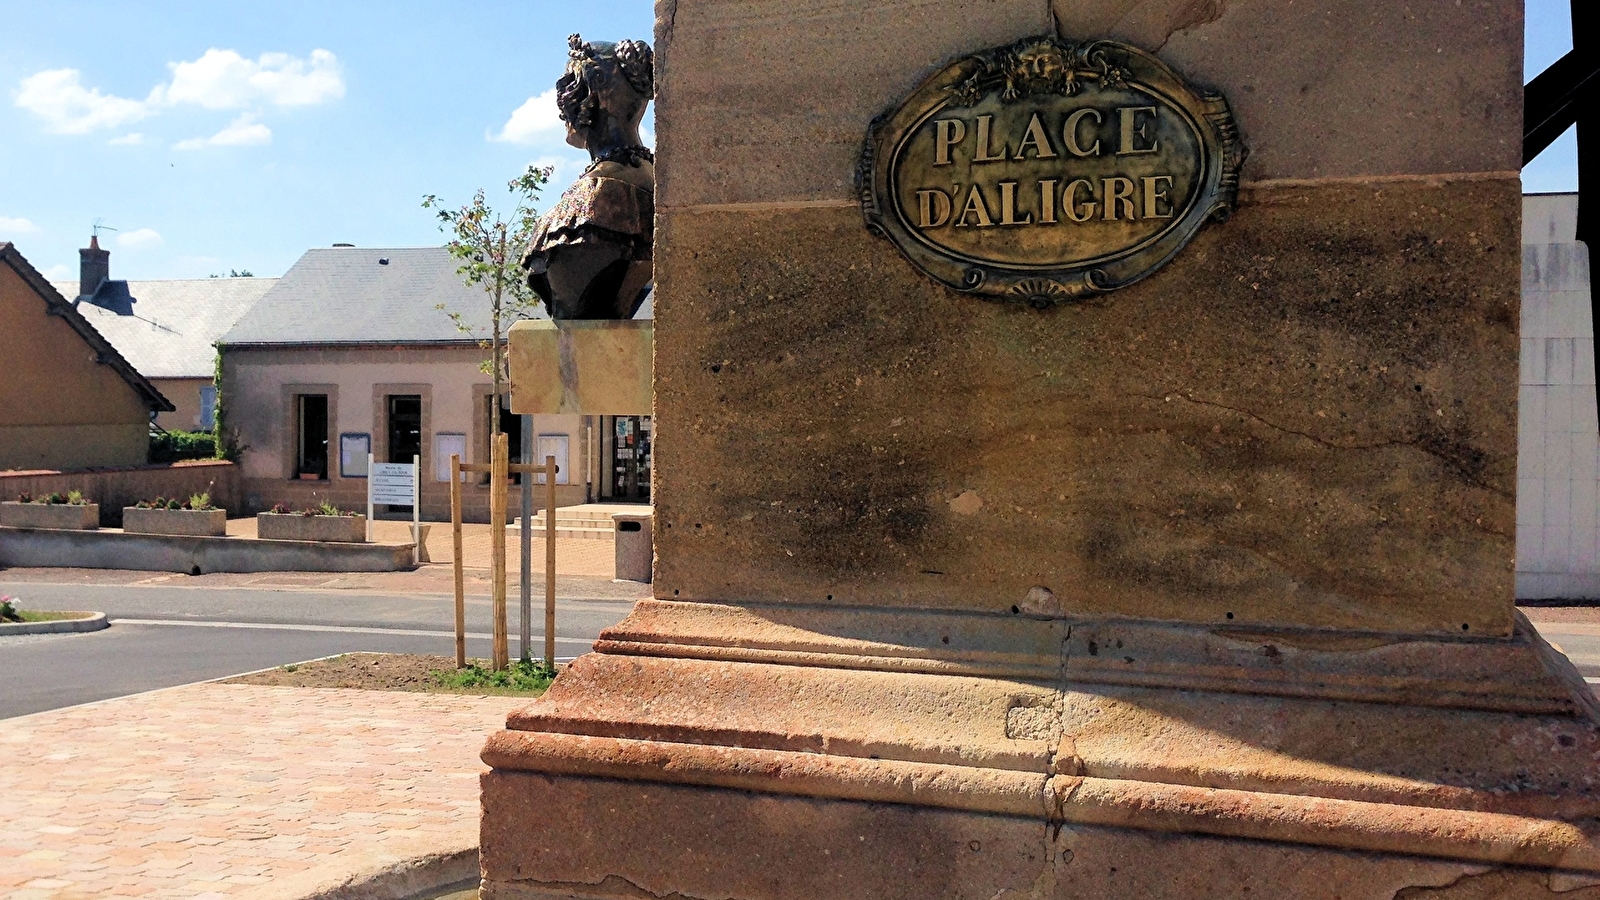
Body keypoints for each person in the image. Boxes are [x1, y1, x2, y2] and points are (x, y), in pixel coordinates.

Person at [521, 34, 655, 320]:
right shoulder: (651, 179)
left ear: (589, 98)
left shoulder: (599, 196)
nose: (561, 111)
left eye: (567, 89)